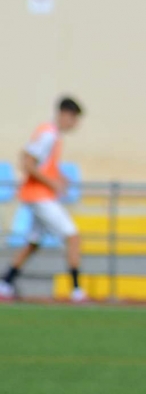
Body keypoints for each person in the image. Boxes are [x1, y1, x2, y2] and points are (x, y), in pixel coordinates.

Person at [0, 97, 86, 302]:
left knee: (33, 242)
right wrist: (52, 183)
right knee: (72, 236)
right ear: (65, 114)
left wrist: (59, 178)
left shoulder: (51, 134)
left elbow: (37, 162)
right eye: (73, 119)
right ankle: (76, 290)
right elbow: (28, 163)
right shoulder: (48, 134)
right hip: (40, 197)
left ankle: (6, 282)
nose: (74, 124)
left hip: (38, 195)